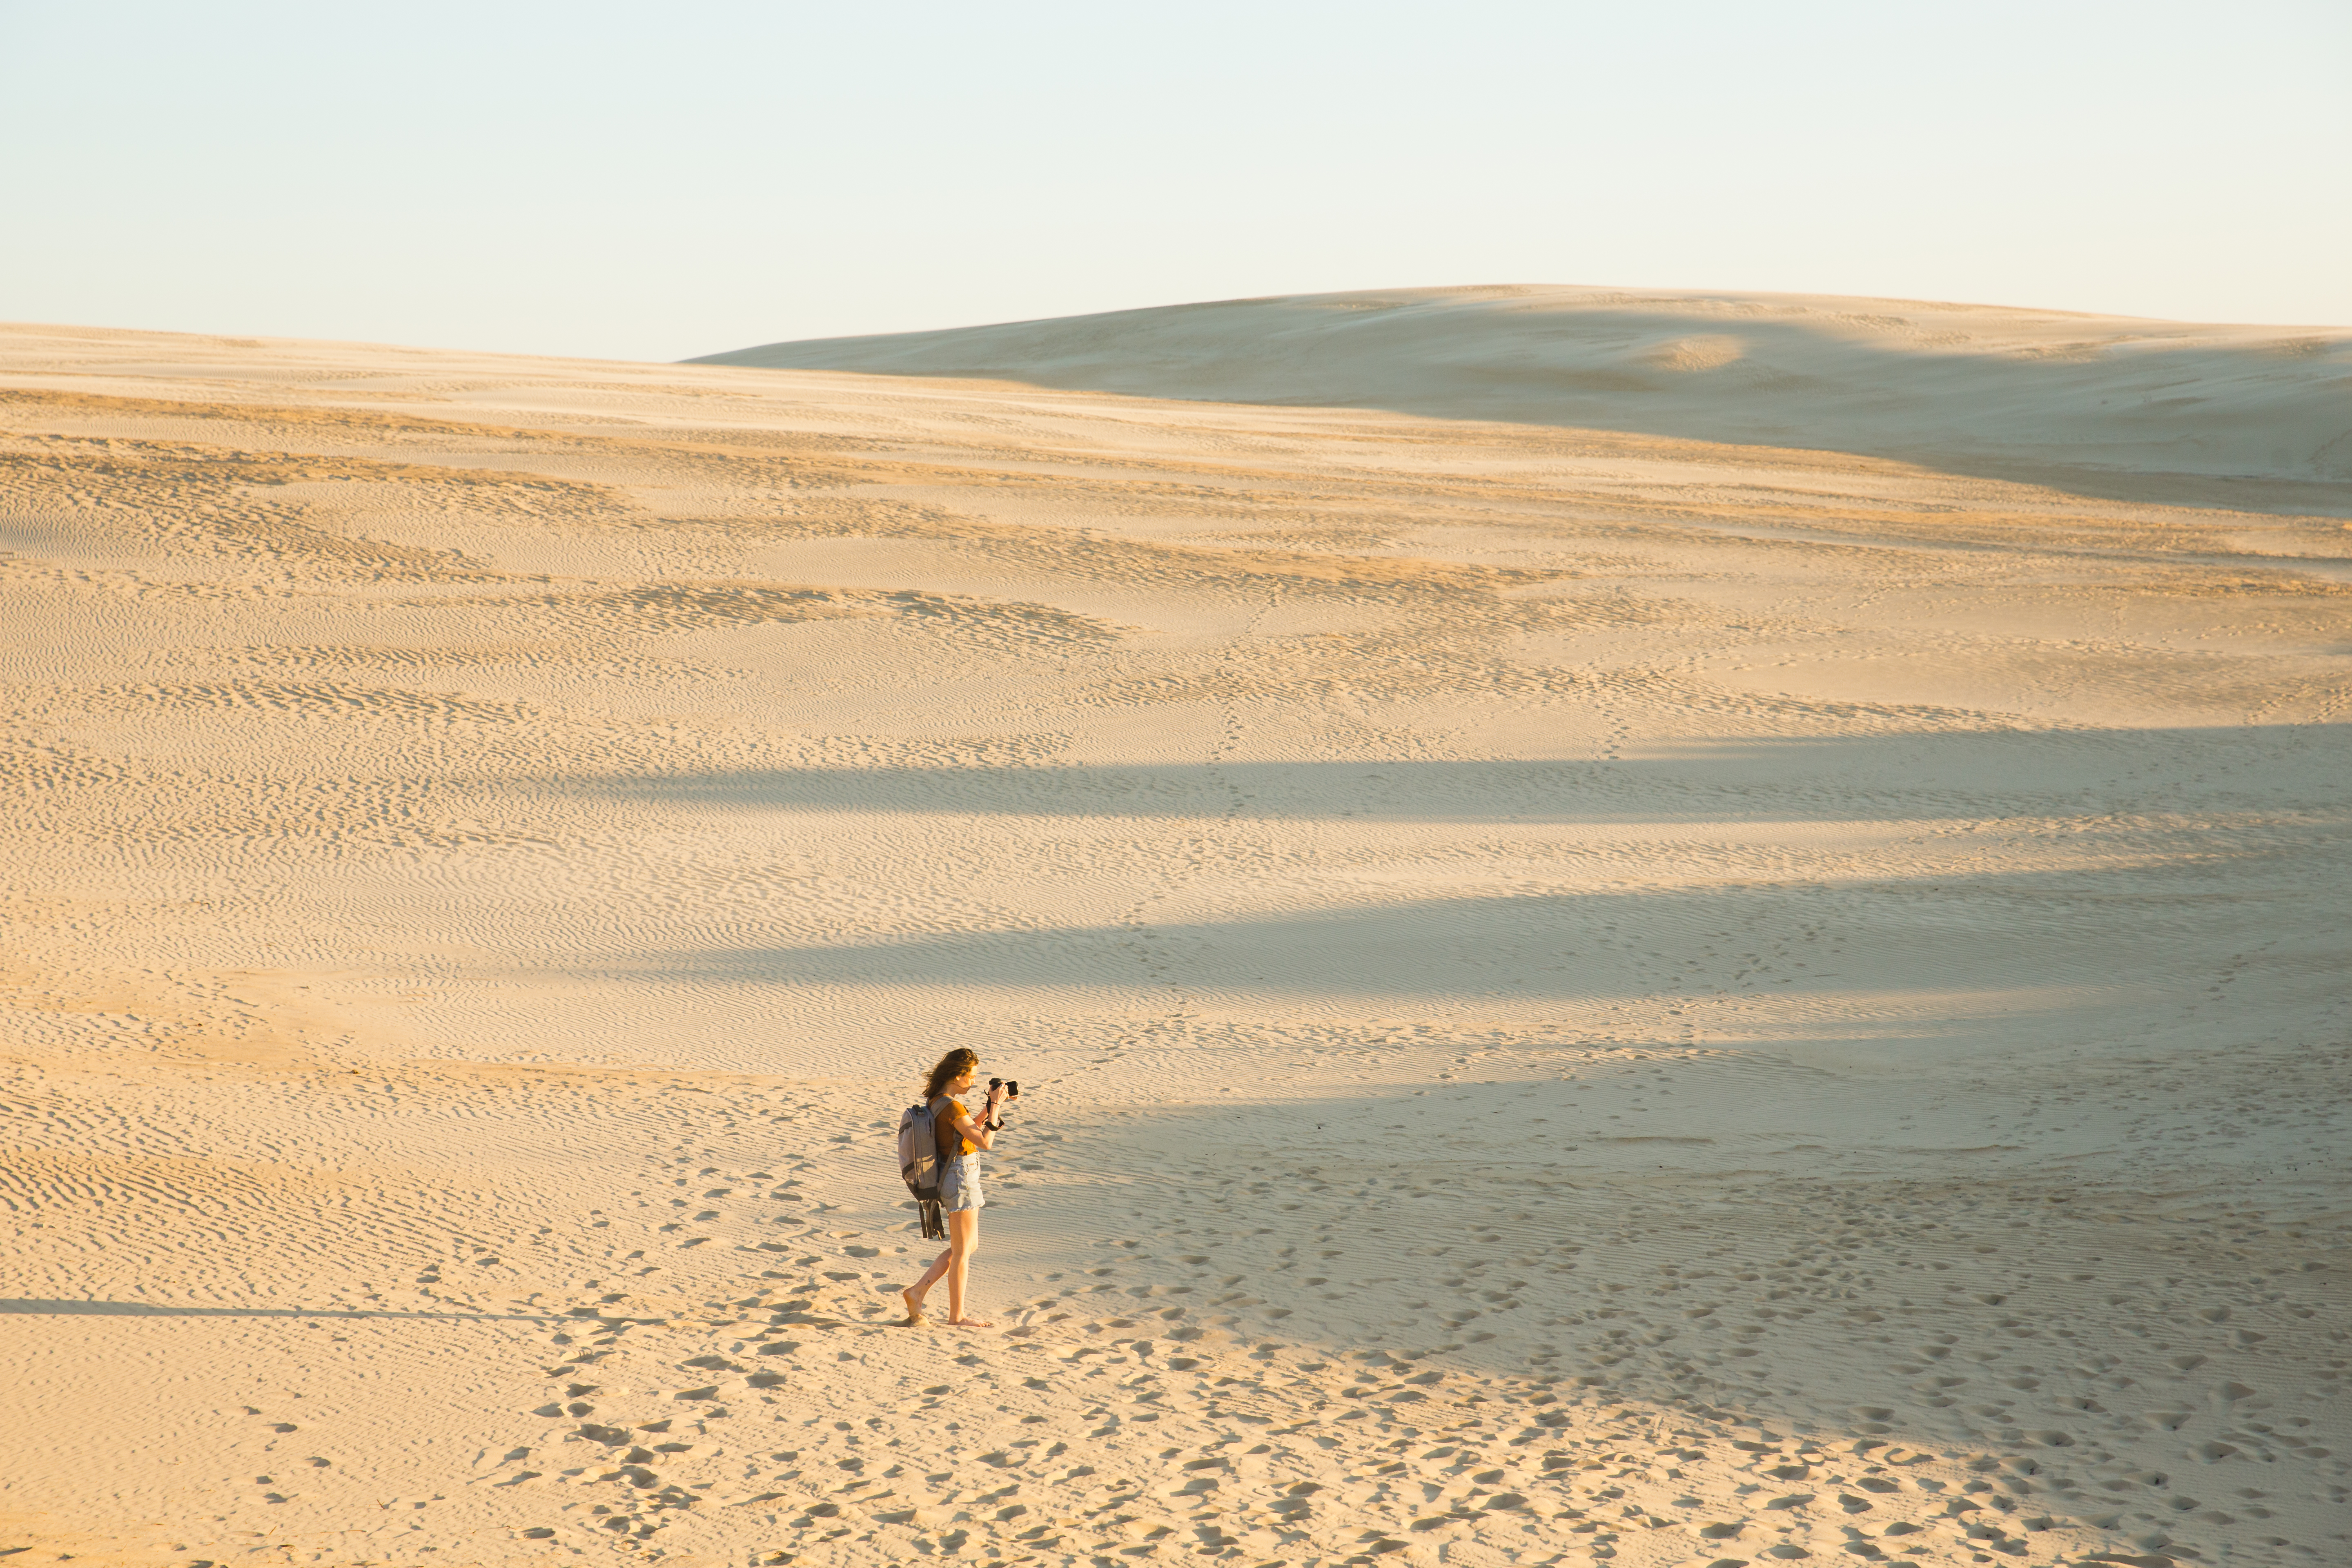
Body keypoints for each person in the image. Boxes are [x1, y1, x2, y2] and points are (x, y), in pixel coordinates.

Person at [901, 1048, 1005, 1329]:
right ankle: (956, 1316)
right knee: (962, 1252)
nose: (974, 1081)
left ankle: (918, 1292)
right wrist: (995, 1107)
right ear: (958, 1076)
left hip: (956, 1174)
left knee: (969, 1246)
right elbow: (985, 1142)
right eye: (971, 1076)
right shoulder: (953, 1106)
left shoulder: (938, 1101)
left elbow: (966, 1130)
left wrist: (991, 1107)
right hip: (960, 1176)